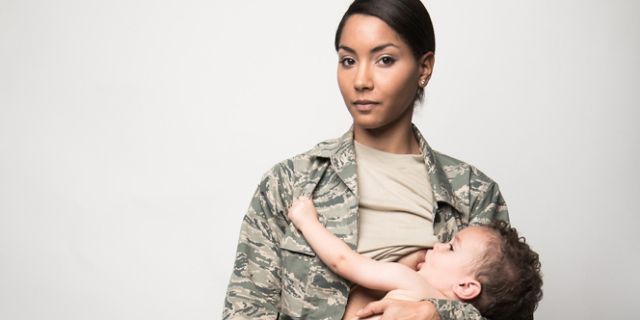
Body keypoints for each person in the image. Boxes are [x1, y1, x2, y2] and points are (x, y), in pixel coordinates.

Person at [224, 0, 511, 319]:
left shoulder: (473, 193)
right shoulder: (290, 183)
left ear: (424, 68)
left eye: (384, 60)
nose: (361, 80)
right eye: (348, 60)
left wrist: (434, 314)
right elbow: (245, 311)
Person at [287, 197, 543, 320]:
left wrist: (307, 221)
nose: (438, 245)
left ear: (466, 287)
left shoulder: (410, 282)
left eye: (452, 248)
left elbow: (344, 262)